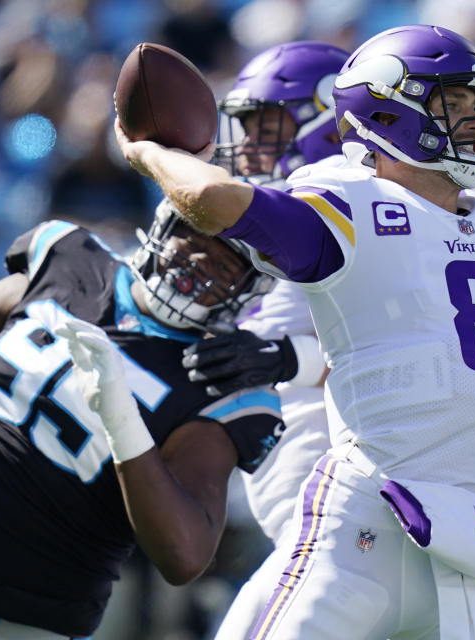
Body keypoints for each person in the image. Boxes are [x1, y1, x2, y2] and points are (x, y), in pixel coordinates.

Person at [116, 24, 475, 639]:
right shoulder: (349, 202)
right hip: (366, 521)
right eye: (452, 103)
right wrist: (149, 152)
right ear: (387, 110)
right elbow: (216, 202)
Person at [0, 209, 284, 639]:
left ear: (247, 288)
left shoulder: (220, 381)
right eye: (196, 239)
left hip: (8, 627)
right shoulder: (70, 262)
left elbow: (184, 555)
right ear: (166, 222)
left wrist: (123, 423)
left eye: (226, 265)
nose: (200, 263)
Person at [170, 40, 348, 640]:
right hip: (267, 447)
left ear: (329, 121)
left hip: (336, 453)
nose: (246, 143)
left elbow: (391, 342)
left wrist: (278, 358)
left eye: (266, 123)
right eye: (243, 125)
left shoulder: (347, 203)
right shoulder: (262, 209)